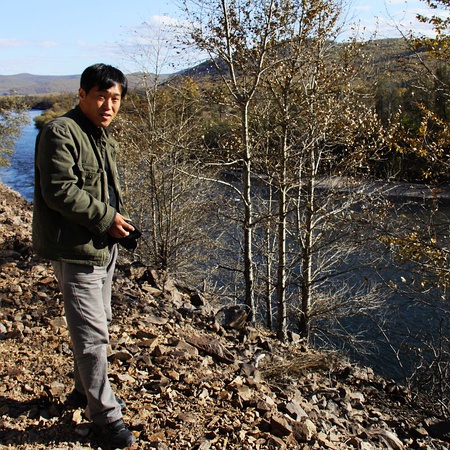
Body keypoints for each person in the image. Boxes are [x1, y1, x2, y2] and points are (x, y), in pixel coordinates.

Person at [32, 63, 136, 449]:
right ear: (82, 95)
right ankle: (105, 418)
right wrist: (108, 218)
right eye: (101, 97)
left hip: (102, 248)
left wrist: (115, 223)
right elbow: (59, 191)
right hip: (76, 250)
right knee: (92, 336)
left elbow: (102, 189)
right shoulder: (61, 131)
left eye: (115, 99)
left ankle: (82, 392)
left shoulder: (100, 135)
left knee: (100, 323)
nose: (109, 106)